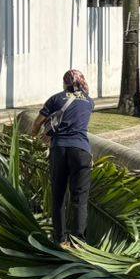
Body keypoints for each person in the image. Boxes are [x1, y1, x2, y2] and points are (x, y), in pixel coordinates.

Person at [31, 70, 96, 247]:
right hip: (81, 151)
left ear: (64, 82)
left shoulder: (55, 99)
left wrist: (34, 137)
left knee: (59, 196)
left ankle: (60, 239)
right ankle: (79, 241)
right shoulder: (90, 102)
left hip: (59, 149)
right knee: (80, 198)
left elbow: (37, 123)